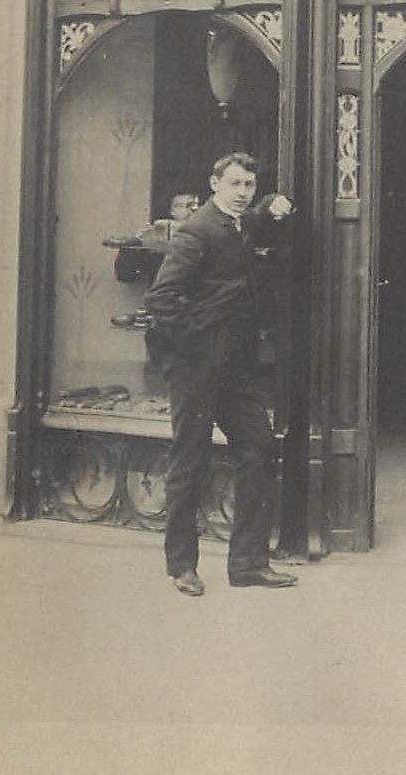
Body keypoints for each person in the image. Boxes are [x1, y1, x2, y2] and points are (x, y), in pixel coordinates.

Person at [143, 152, 298, 596]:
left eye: (249, 184)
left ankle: (248, 564)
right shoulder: (196, 232)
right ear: (215, 184)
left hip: (236, 368)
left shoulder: (242, 222)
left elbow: (260, 217)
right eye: (235, 184)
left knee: (260, 449)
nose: (242, 192)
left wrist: (273, 203)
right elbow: (162, 299)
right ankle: (181, 568)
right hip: (196, 366)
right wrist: (198, 344)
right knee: (189, 460)